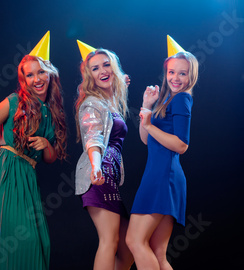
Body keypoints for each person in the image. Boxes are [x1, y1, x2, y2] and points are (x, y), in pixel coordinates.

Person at [0, 53, 68, 269]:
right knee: (6, 243)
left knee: (36, 242)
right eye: (30, 75)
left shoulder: (53, 112)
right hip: (2, 172)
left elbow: (50, 158)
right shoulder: (15, 101)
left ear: (50, 74)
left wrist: (46, 144)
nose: (37, 79)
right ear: (24, 80)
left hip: (27, 178)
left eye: (41, 72)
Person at [126, 48, 199, 270]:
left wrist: (148, 124)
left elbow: (181, 145)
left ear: (191, 76)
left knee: (135, 241)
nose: (175, 78)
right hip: (161, 174)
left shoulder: (182, 99)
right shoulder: (168, 99)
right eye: (171, 72)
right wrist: (147, 107)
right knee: (158, 254)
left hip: (162, 176)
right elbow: (147, 140)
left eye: (182, 74)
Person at [74, 47, 133, 270]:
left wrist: (122, 83)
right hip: (98, 176)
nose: (102, 71)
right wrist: (96, 165)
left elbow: (115, 95)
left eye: (106, 65)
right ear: (89, 76)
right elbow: (93, 136)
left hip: (110, 176)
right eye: (95, 68)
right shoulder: (91, 103)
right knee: (109, 241)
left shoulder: (109, 102)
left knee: (128, 248)